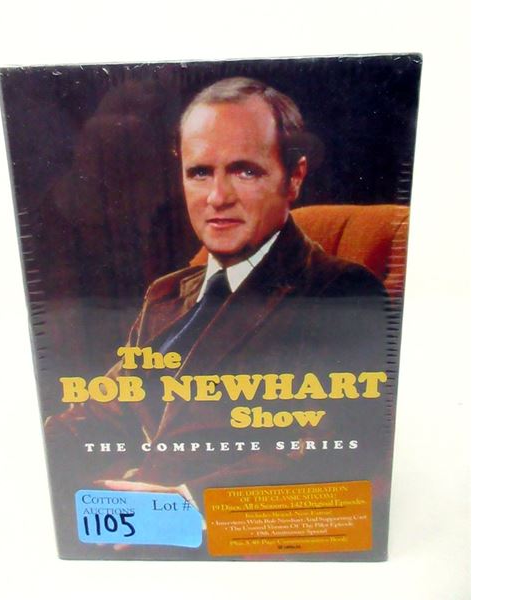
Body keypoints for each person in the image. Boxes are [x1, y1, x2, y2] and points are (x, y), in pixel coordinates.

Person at [45, 77, 389, 554]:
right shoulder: (167, 292)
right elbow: (103, 410)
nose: (216, 197)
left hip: (229, 550)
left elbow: (336, 453)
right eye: (200, 172)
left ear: (293, 177)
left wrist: (185, 508)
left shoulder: (340, 291)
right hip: (124, 528)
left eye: (244, 171)